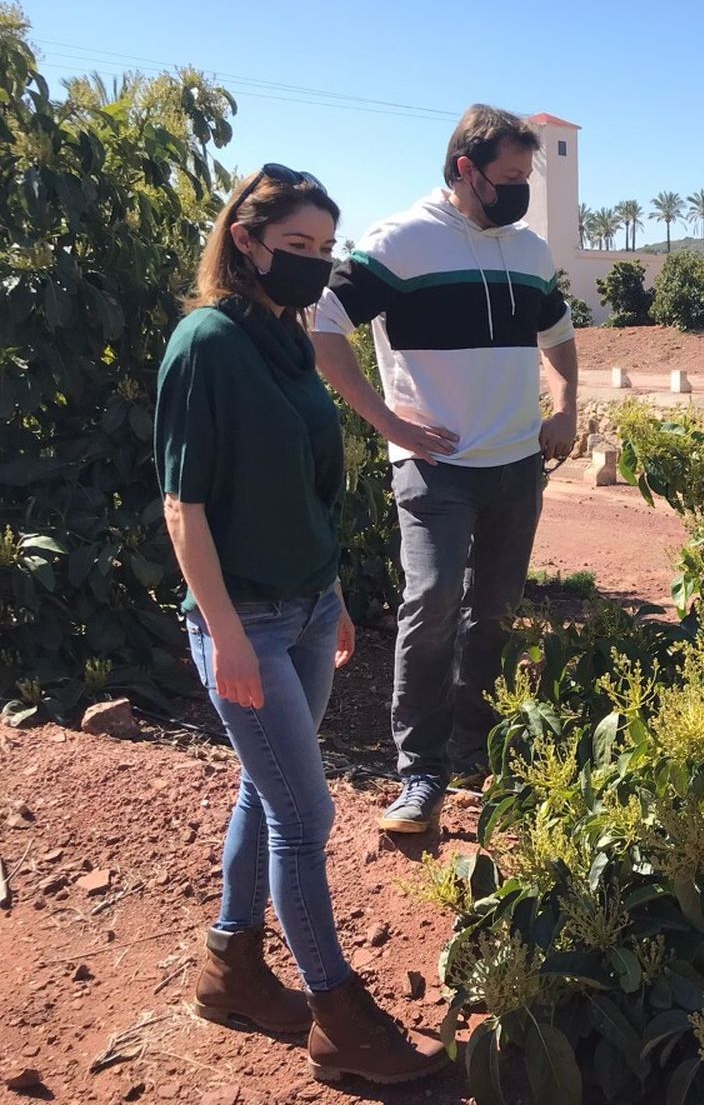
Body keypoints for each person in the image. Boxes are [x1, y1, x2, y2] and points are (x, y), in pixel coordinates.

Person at [156, 166, 445, 1084]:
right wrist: (226, 634)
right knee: (304, 810)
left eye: (325, 248)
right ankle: (337, 1017)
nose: (315, 263)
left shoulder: (289, 338)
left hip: (311, 605)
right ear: (245, 241)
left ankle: (230, 969)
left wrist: (336, 594)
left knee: (268, 787)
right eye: (296, 246)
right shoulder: (207, 343)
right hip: (245, 617)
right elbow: (183, 507)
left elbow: (310, 488)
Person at [310, 105, 578, 834]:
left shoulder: (528, 250)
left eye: (527, 176)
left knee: (494, 611)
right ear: (467, 169)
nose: (521, 189)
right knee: (430, 604)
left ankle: (475, 752)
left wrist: (565, 406)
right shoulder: (402, 241)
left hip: (517, 464)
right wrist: (388, 423)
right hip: (435, 468)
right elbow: (323, 324)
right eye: (510, 176)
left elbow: (557, 332)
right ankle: (420, 773)